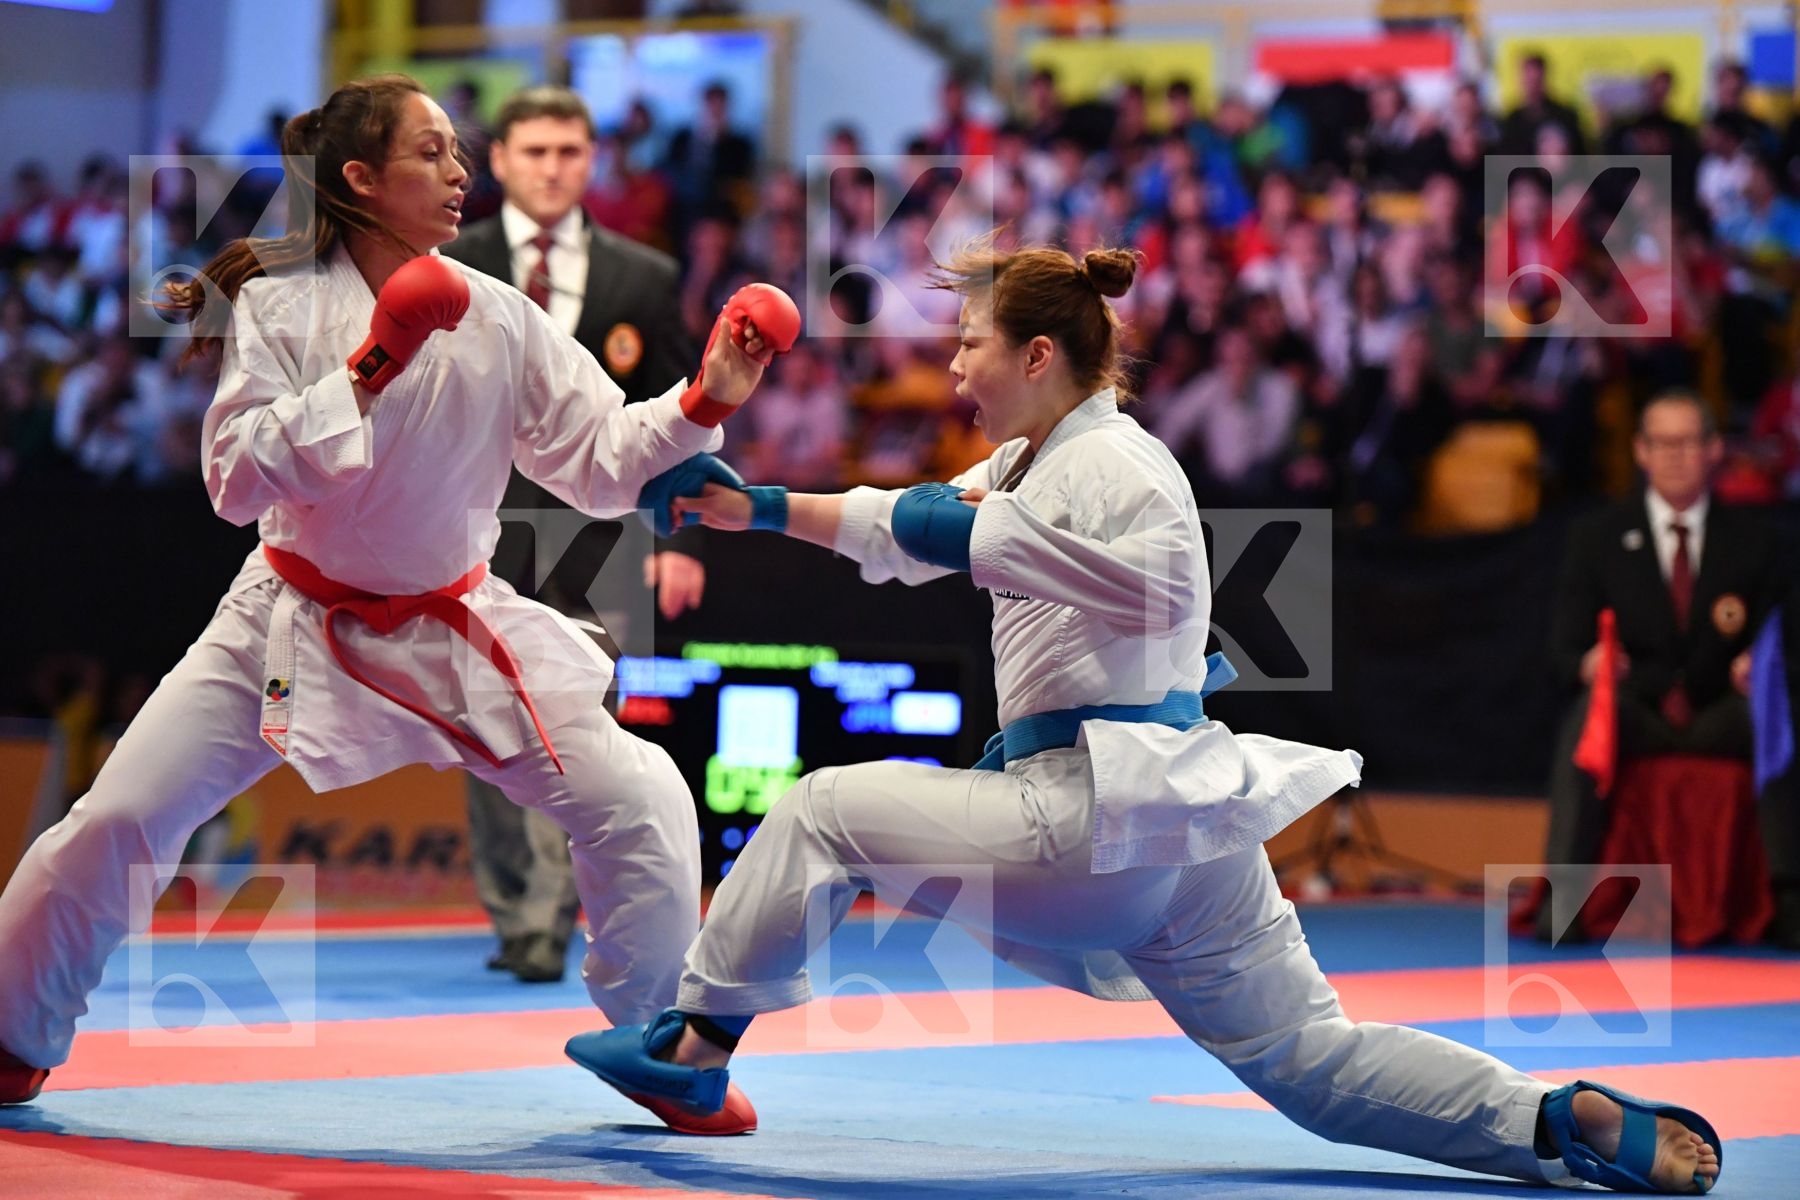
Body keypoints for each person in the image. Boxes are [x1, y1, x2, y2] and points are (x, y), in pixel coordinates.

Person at [563, 240, 1723, 1195]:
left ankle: (694, 1049)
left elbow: (987, 545)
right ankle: (1559, 1125)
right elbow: (895, 525)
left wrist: (840, 517)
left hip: (1092, 812)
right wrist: (749, 505)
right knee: (1309, 1061)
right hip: (1184, 832)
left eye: (967, 345)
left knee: (818, 812)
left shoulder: (1121, 470)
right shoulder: (1036, 457)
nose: (953, 369)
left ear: (1035, 352)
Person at [0, 75, 776, 1137]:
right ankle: (11, 1030)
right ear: (361, 178)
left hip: (448, 620)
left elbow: (599, 460)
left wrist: (708, 396)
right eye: (434, 153)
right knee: (121, 819)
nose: (461, 173)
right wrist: (370, 368)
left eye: (460, 153)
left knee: (639, 796)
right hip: (284, 616)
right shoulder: (278, 305)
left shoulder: (501, 316)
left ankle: (657, 1048)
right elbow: (234, 481)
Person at [441, 85, 707, 984]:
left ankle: (560, 917)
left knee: (581, 725)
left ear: (591, 162)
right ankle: (520, 915)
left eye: (569, 152)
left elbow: (683, 419)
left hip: (606, 535)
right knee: (483, 723)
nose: (552, 168)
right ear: (503, 161)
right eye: (535, 151)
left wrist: (680, 540)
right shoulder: (450, 261)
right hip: (471, 523)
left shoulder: (645, 278)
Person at [1540, 391, 1784, 942]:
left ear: (1714, 450)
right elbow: (1563, 649)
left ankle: (1789, 900)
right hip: (1636, 708)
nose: (1676, 455)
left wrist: (1760, 667)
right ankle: (1565, 903)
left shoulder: (1756, 542)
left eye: (1689, 442)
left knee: (1780, 719)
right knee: (1587, 719)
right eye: (1662, 443)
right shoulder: (1596, 538)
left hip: (1720, 708)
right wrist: (1590, 664)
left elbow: (1777, 637)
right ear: (1641, 452)